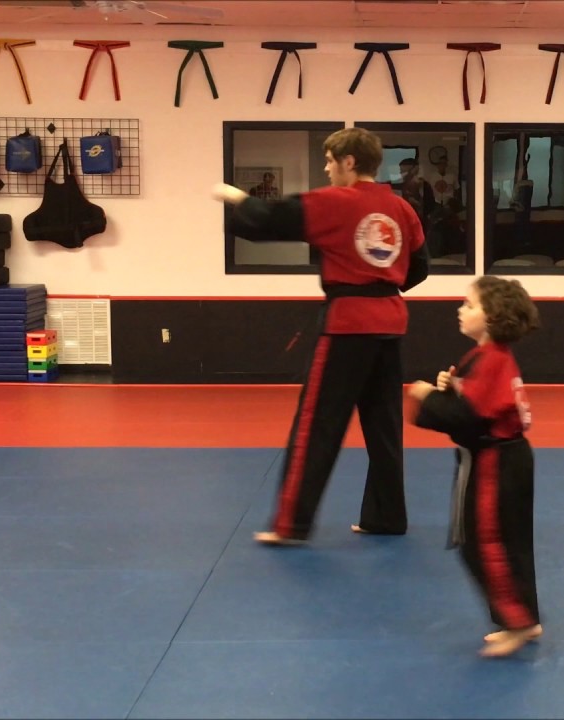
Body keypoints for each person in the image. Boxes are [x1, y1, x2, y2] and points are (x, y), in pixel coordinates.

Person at [212, 127, 429, 546]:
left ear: (349, 161)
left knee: (318, 425)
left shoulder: (336, 202)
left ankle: (291, 524)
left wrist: (237, 198)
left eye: (330, 161)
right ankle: (386, 517)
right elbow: (420, 267)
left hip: (348, 325)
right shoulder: (401, 208)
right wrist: (382, 282)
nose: (327, 168)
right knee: (384, 426)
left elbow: (270, 219)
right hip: (390, 323)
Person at [406, 276, 541, 658]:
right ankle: (524, 617)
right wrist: (451, 386)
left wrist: (426, 398)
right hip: (505, 458)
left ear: (493, 316)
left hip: (495, 463)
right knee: (510, 543)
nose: (460, 309)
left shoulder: (492, 359)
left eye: (469, 305)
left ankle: (516, 622)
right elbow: (475, 400)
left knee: (483, 544)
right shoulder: (487, 357)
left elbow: (467, 416)